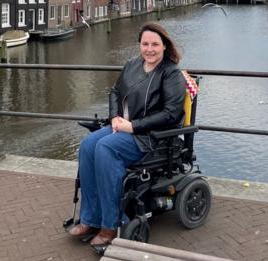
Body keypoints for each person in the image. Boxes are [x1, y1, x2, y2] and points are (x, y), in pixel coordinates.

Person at [68, 22, 186, 247]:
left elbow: (171, 114)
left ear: (164, 46)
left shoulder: (171, 74)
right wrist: (114, 118)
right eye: (145, 44)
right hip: (121, 127)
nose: (149, 49)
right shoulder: (132, 64)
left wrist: (133, 126)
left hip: (149, 136)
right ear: (139, 45)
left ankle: (110, 225)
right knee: (87, 145)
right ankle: (90, 218)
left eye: (154, 44)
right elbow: (115, 91)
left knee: (105, 148)